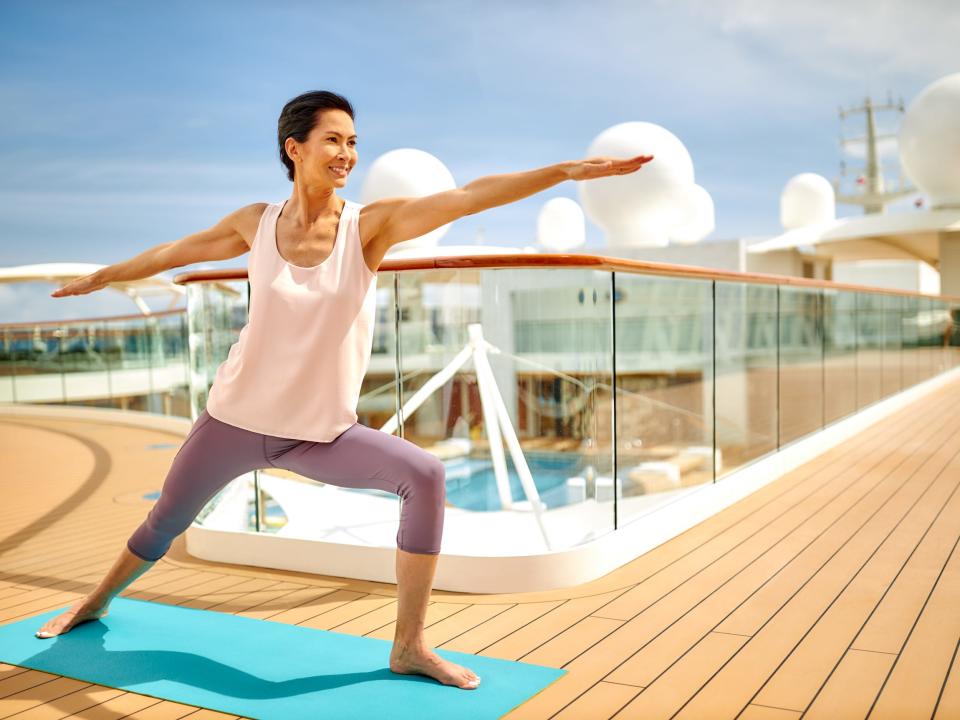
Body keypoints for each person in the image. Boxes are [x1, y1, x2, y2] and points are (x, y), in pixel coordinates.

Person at [35, 90, 653, 690]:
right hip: (233, 421)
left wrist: (566, 170)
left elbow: (467, 198)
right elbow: (177, 250)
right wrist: (103, 276)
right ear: (294, 147)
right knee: (164, 523)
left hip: (320, 435)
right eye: (333, 139)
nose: (347, 153)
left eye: (354, 142)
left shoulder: (369, 227)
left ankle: (409, 645)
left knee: (428, 476)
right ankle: (93, 603)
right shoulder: (256, 223)